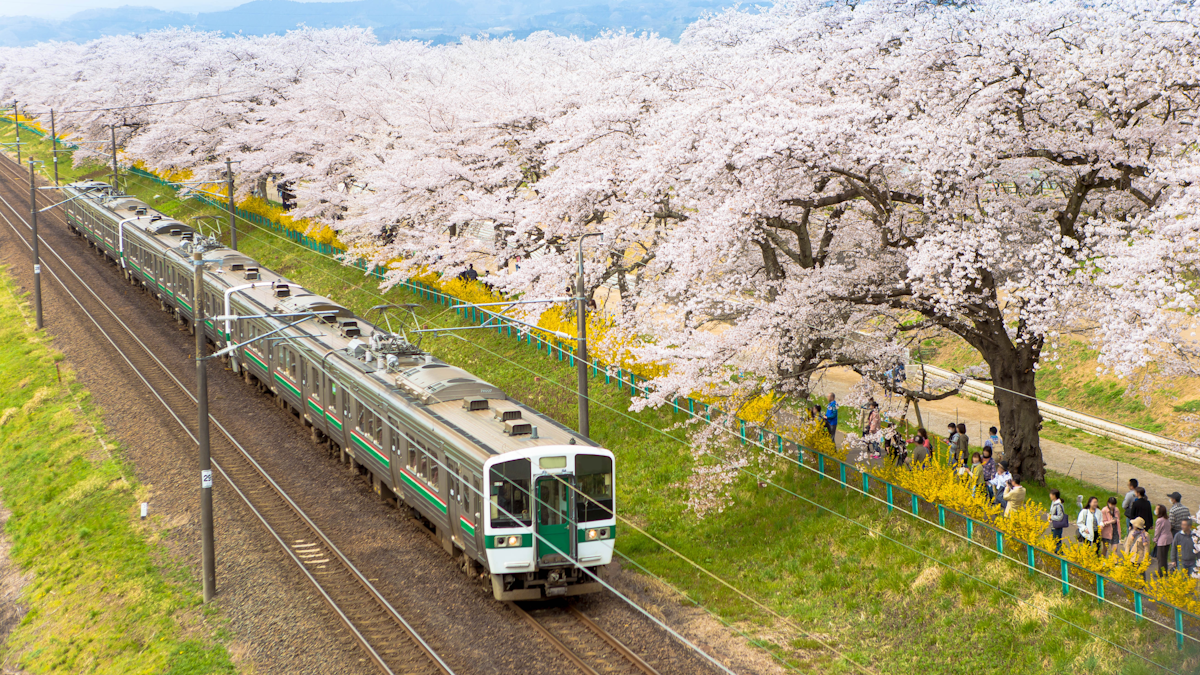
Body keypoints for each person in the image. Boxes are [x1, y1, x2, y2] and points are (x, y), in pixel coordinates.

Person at [1048, 489, 1069, 554]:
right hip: (1053, 525)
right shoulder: (1053, 503)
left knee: (1057, 542)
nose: (1050, 495)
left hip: (1057, 526)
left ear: (1054, 496)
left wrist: (1051, 517)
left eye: (1051, 494)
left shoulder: (1058, 505)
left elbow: (1060, 517)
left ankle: (1060, 556)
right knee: (1055, 541)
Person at [1155, 504, 1172, 577]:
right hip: (1168, 539)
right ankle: (1165, 571)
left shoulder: (1159, 520)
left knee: (1160, 557)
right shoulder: (1167, 519)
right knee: (1164, 557)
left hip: (1162, 540)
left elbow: (1157, 531)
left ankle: (1160, 573)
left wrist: (1155, 539)